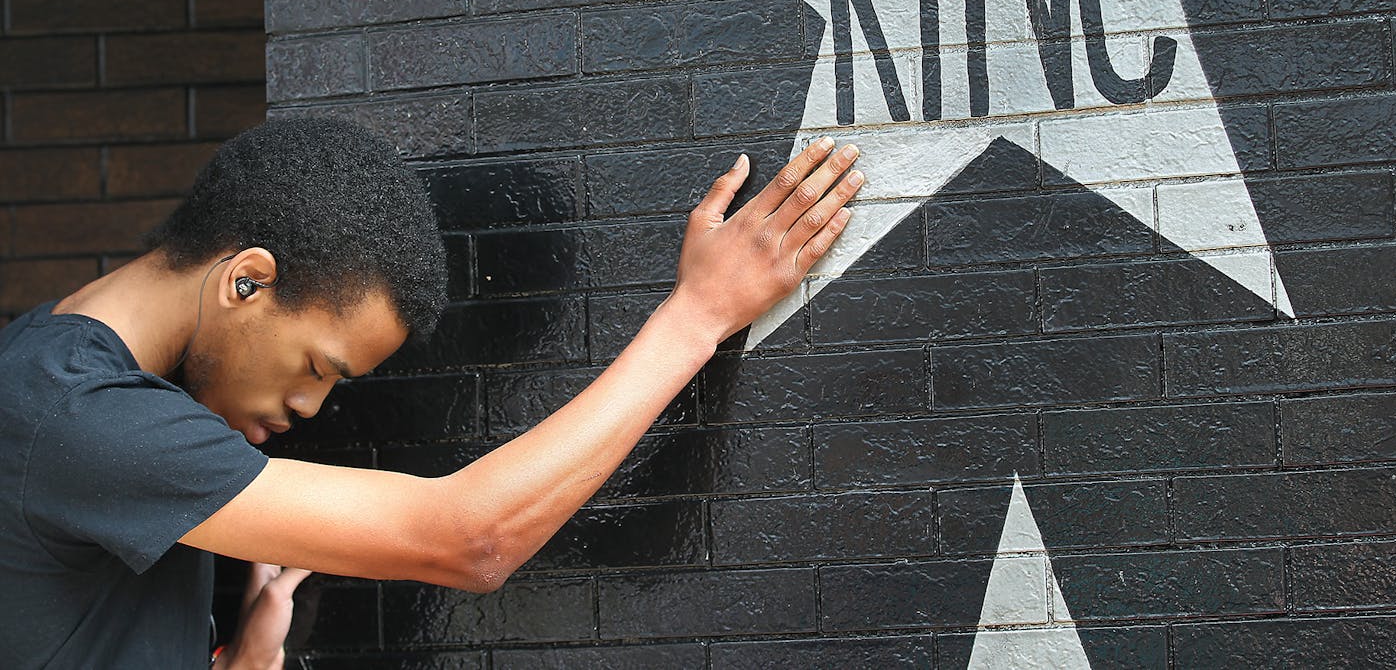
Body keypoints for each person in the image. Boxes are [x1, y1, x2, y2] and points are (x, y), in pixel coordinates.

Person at [0, 117, 864, 669]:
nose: (312, 408)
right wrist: (698, 316)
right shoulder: (77, 415)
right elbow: (471, 541)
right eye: (320, 367)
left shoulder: (70, 387)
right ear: (248, 282)